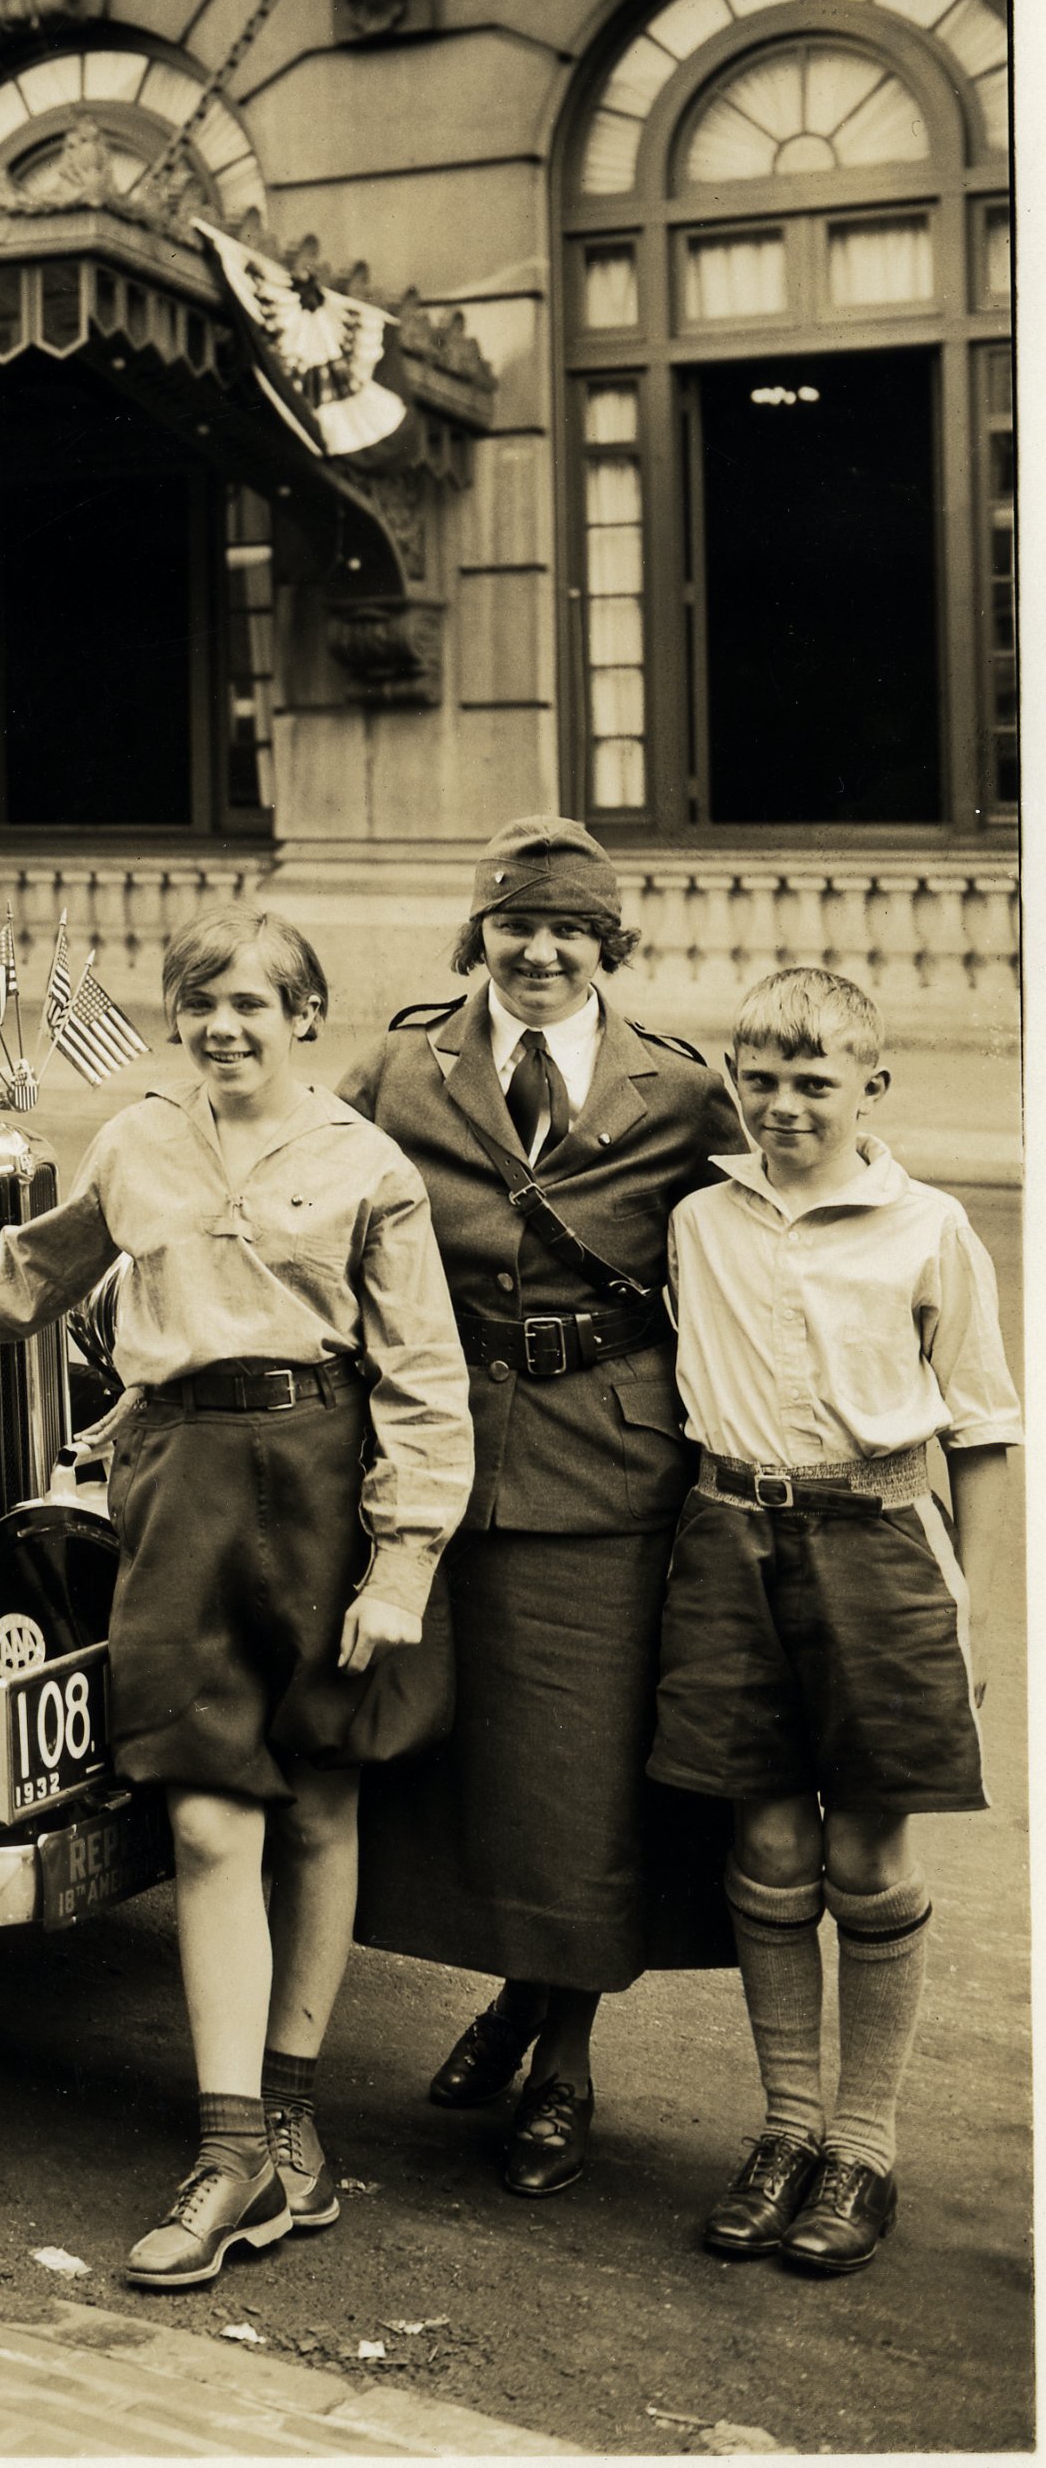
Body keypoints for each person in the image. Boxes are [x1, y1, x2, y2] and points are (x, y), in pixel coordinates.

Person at [0, 909, 471, 2288]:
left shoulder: (364, 1167)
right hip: (176, 1491)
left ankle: (289, 2114)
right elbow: (15, 1283)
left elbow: (422, 1379)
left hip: (325, 1478)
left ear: (304, 1015)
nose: (224, 1024)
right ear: (179, 1019)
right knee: (209, 1817)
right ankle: (228, 2150)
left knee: (322, 1797)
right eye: (201, 1001)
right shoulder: (136, 1141)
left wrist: (399, 1563)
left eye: (253, 1002)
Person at [342, 816, 744, 2197]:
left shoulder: (679, 1092)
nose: (537, 950)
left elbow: (757, 1249)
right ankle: (516, 1992)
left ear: (605, 944)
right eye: (513, 925)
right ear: (479, 933)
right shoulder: (399, 1064)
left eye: (568, 929)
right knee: (452, 1760)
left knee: (572, 1781)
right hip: (430, 1454)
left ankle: (562, 2061)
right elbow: (301, 1192)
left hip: (603, 1466)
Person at [649, 968, 1017, 2275]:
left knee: (861, 1855)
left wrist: (970, 1611)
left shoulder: (923, 1229)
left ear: (870, 1087)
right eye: (761, 1081)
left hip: (873, 1545)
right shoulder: (698, 1220)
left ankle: (860, 2144)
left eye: (814, 1082)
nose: (783, 1105)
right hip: (726, 1534)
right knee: (760, 1844)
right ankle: (785, 2128)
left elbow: (979, 1428)